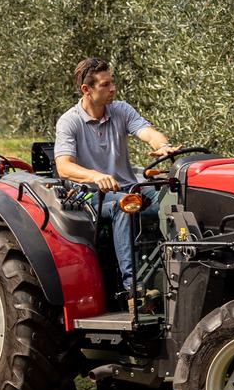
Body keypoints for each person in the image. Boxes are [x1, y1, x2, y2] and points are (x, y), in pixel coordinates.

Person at [53, 57, 179, 292]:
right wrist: (95, 176)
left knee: (172, 196)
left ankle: (178, 271)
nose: (113, 89)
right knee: (125, 205)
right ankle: (135, 290)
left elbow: (148, 133)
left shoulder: (120, 110)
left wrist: (162, 145)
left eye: (112, 83)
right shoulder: (69, 122)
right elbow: (64, 166)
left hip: (128, 187)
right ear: (86, 90)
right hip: (88, 196)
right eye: (105, 84)